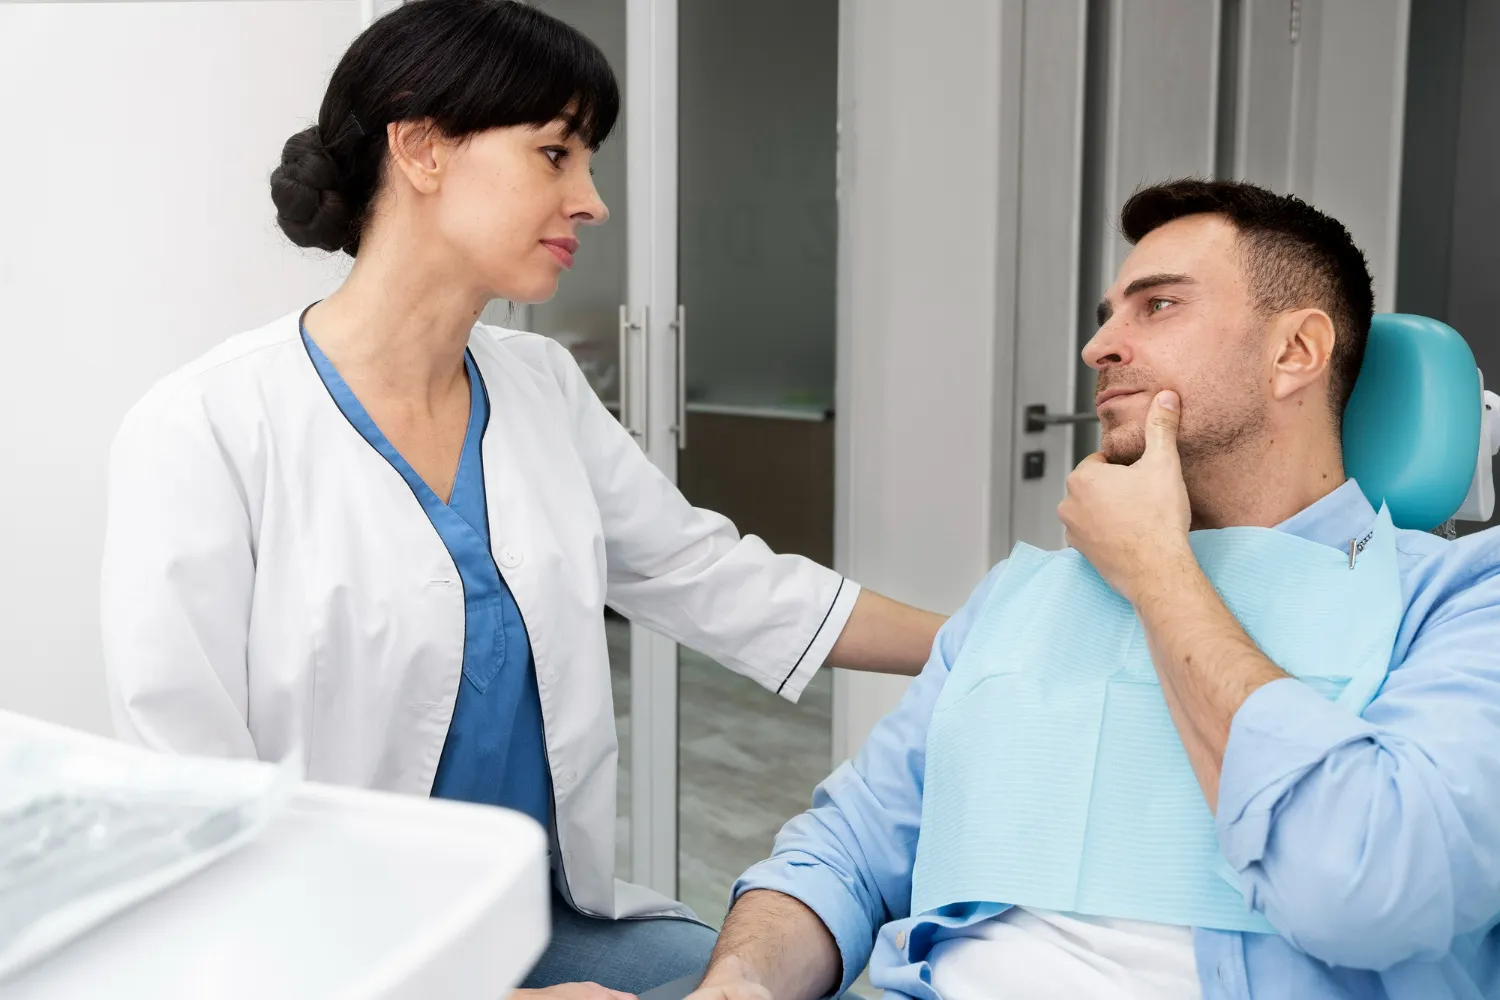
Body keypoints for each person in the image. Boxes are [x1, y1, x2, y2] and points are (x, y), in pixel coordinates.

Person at [98, 2, 944, 995]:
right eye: (556, 153)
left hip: (539, 923)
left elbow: (699, 571)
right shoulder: (206, 428)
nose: (592, 200)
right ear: (421, 147)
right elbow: (193, 813)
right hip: (323, 951)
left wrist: (989, 632)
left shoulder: (539, 384)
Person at [688, 180, 1500, 1000]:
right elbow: (845, 851)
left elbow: (1373, 889)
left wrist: (1156, 569)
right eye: (1109, 312)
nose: (1099, 346)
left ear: (1295, 352)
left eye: (1158, 306)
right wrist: (740, 982)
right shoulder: (1022, 596)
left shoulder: (1460, 603)